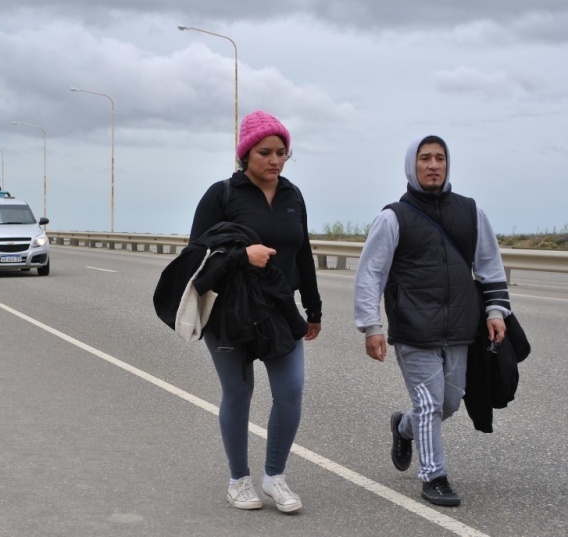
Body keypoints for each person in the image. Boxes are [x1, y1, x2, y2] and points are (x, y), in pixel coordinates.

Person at [354, 134, 511, 508]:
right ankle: (434, 476)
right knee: (429, 404)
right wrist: (371, 326)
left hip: (459, 329)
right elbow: (370, 274)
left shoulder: (471, 212)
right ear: (413, 165)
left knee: (450, 403)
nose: (434, 164)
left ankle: (403, 427)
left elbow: (490, 266)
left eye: (440, 157)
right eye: (425, 158)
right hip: (414, 329)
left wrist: (495, 311)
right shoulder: (393, 217)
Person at [186, 111, 322, 512]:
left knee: (291, 391)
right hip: (230, 311)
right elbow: (196, 257)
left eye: (282, 152)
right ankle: (238, 480)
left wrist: (313, 308)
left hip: (280, 308)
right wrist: (242, 255)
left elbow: (305, 253)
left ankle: (275, 477)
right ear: (246, 153)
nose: (275, 160)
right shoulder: (222, 195)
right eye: (266, 152)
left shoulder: (293, 195)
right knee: (239, 392)